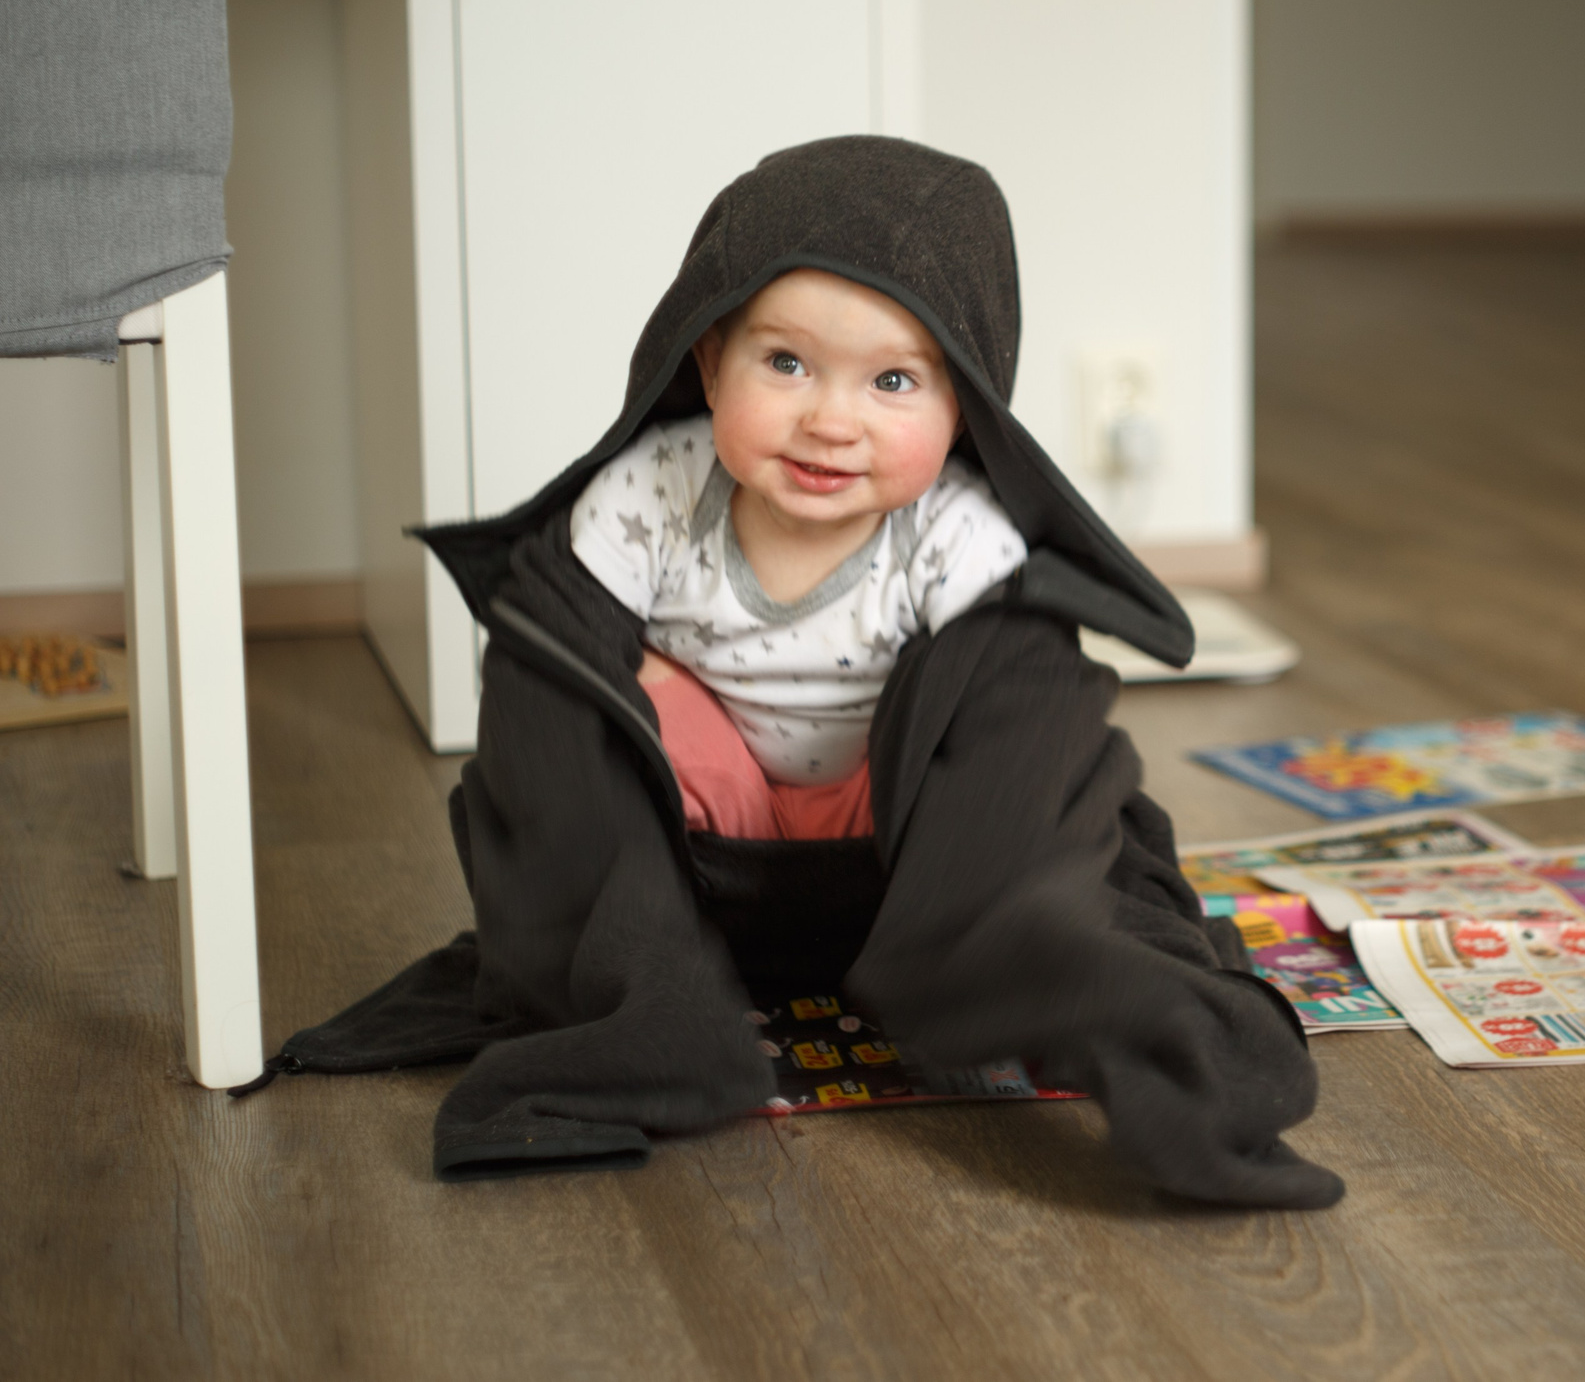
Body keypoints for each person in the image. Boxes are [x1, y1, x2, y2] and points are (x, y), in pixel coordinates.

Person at [252, 137, 1345, 1210]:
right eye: (785, 364)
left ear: (965, 403)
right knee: (563, 687)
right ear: (706, 356)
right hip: (705, 861)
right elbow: (550, 700)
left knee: (1024, 705)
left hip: (908, 857)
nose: (831, 419)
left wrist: (1016, 903)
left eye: (893, 380)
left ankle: (1043, 970)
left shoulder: (957, 536)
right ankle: (643, 1012)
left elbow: (1020, 737)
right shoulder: (646, 501)